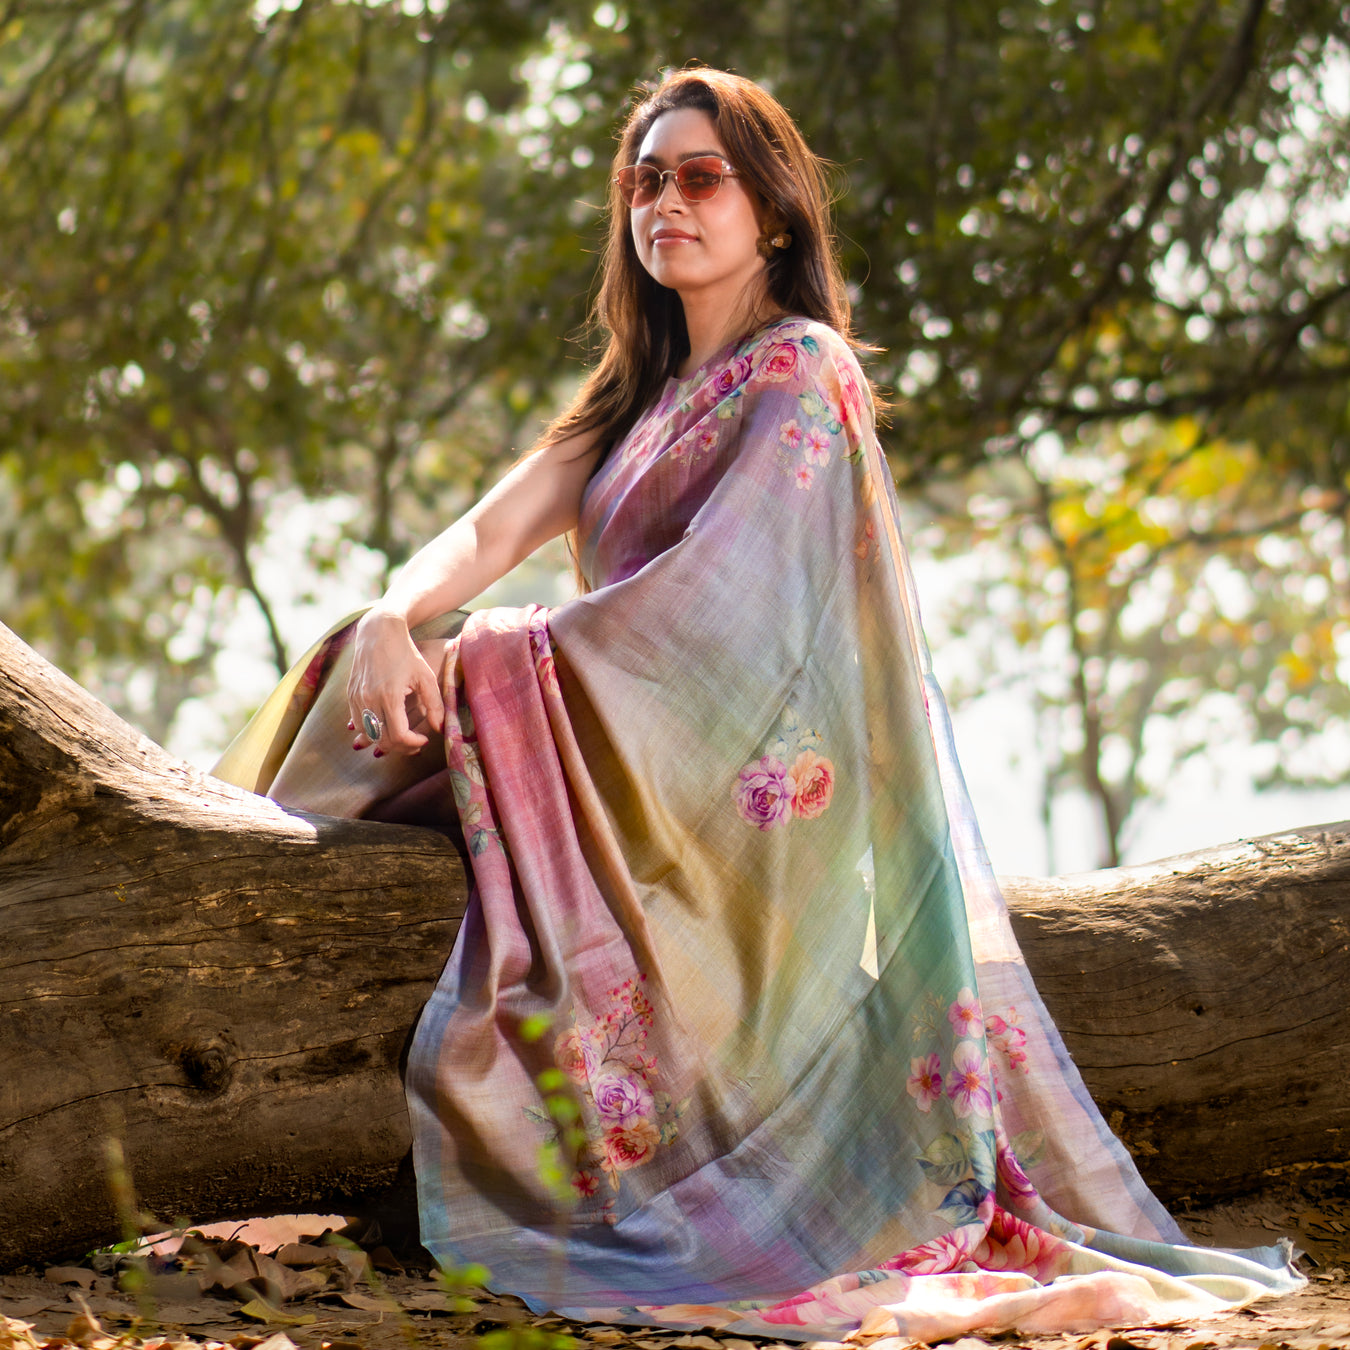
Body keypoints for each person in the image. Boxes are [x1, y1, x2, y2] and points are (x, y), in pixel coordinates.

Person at [214, 67, 1301, 1341]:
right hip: (610, 761)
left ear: (773, 212)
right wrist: (396, 617)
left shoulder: (803, 369)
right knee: (353, 655)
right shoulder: (633, 400)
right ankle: (238, 950)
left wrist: (488, 661)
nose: (664, 202)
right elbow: (487, 531)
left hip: (727, 804)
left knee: (460, 669)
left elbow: (717, 622)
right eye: (645, 181)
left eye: (699, 177)